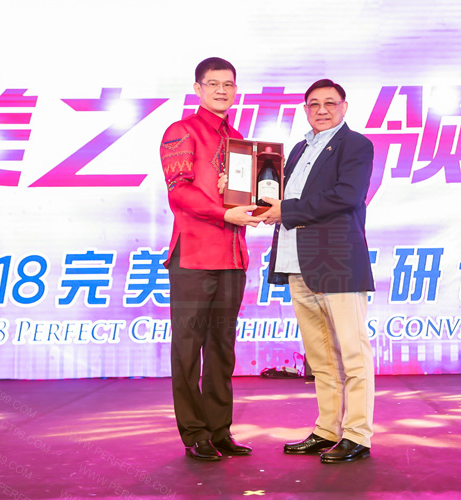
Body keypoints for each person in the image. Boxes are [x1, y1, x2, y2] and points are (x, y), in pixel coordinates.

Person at [262, 79, 375, 464]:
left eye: (330, 103)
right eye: (314, 104)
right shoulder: (297, 149)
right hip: (297, 263)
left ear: (344, 107)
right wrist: (249, 196)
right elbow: (279, 197)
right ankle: (327, 429)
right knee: (321, 358)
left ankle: (357, 435)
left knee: (353, 354)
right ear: (305, 109)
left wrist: (286, 210)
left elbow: (346, 195)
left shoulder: (355, 145)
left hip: (338, 263)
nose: (322, 110)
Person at [159, 57, 263, 462]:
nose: (222, 90)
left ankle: (220, 430)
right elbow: (179, 191)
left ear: (236, 90)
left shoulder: (239, 139)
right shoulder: (181, 131)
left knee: (222, 347)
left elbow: (243, 197)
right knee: (188, 348)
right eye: (213, 83)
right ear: (198, 89)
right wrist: (224, 212)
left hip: (232, 256)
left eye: (229, 84)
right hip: (194, 254)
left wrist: (256, 204)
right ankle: (194, 432)